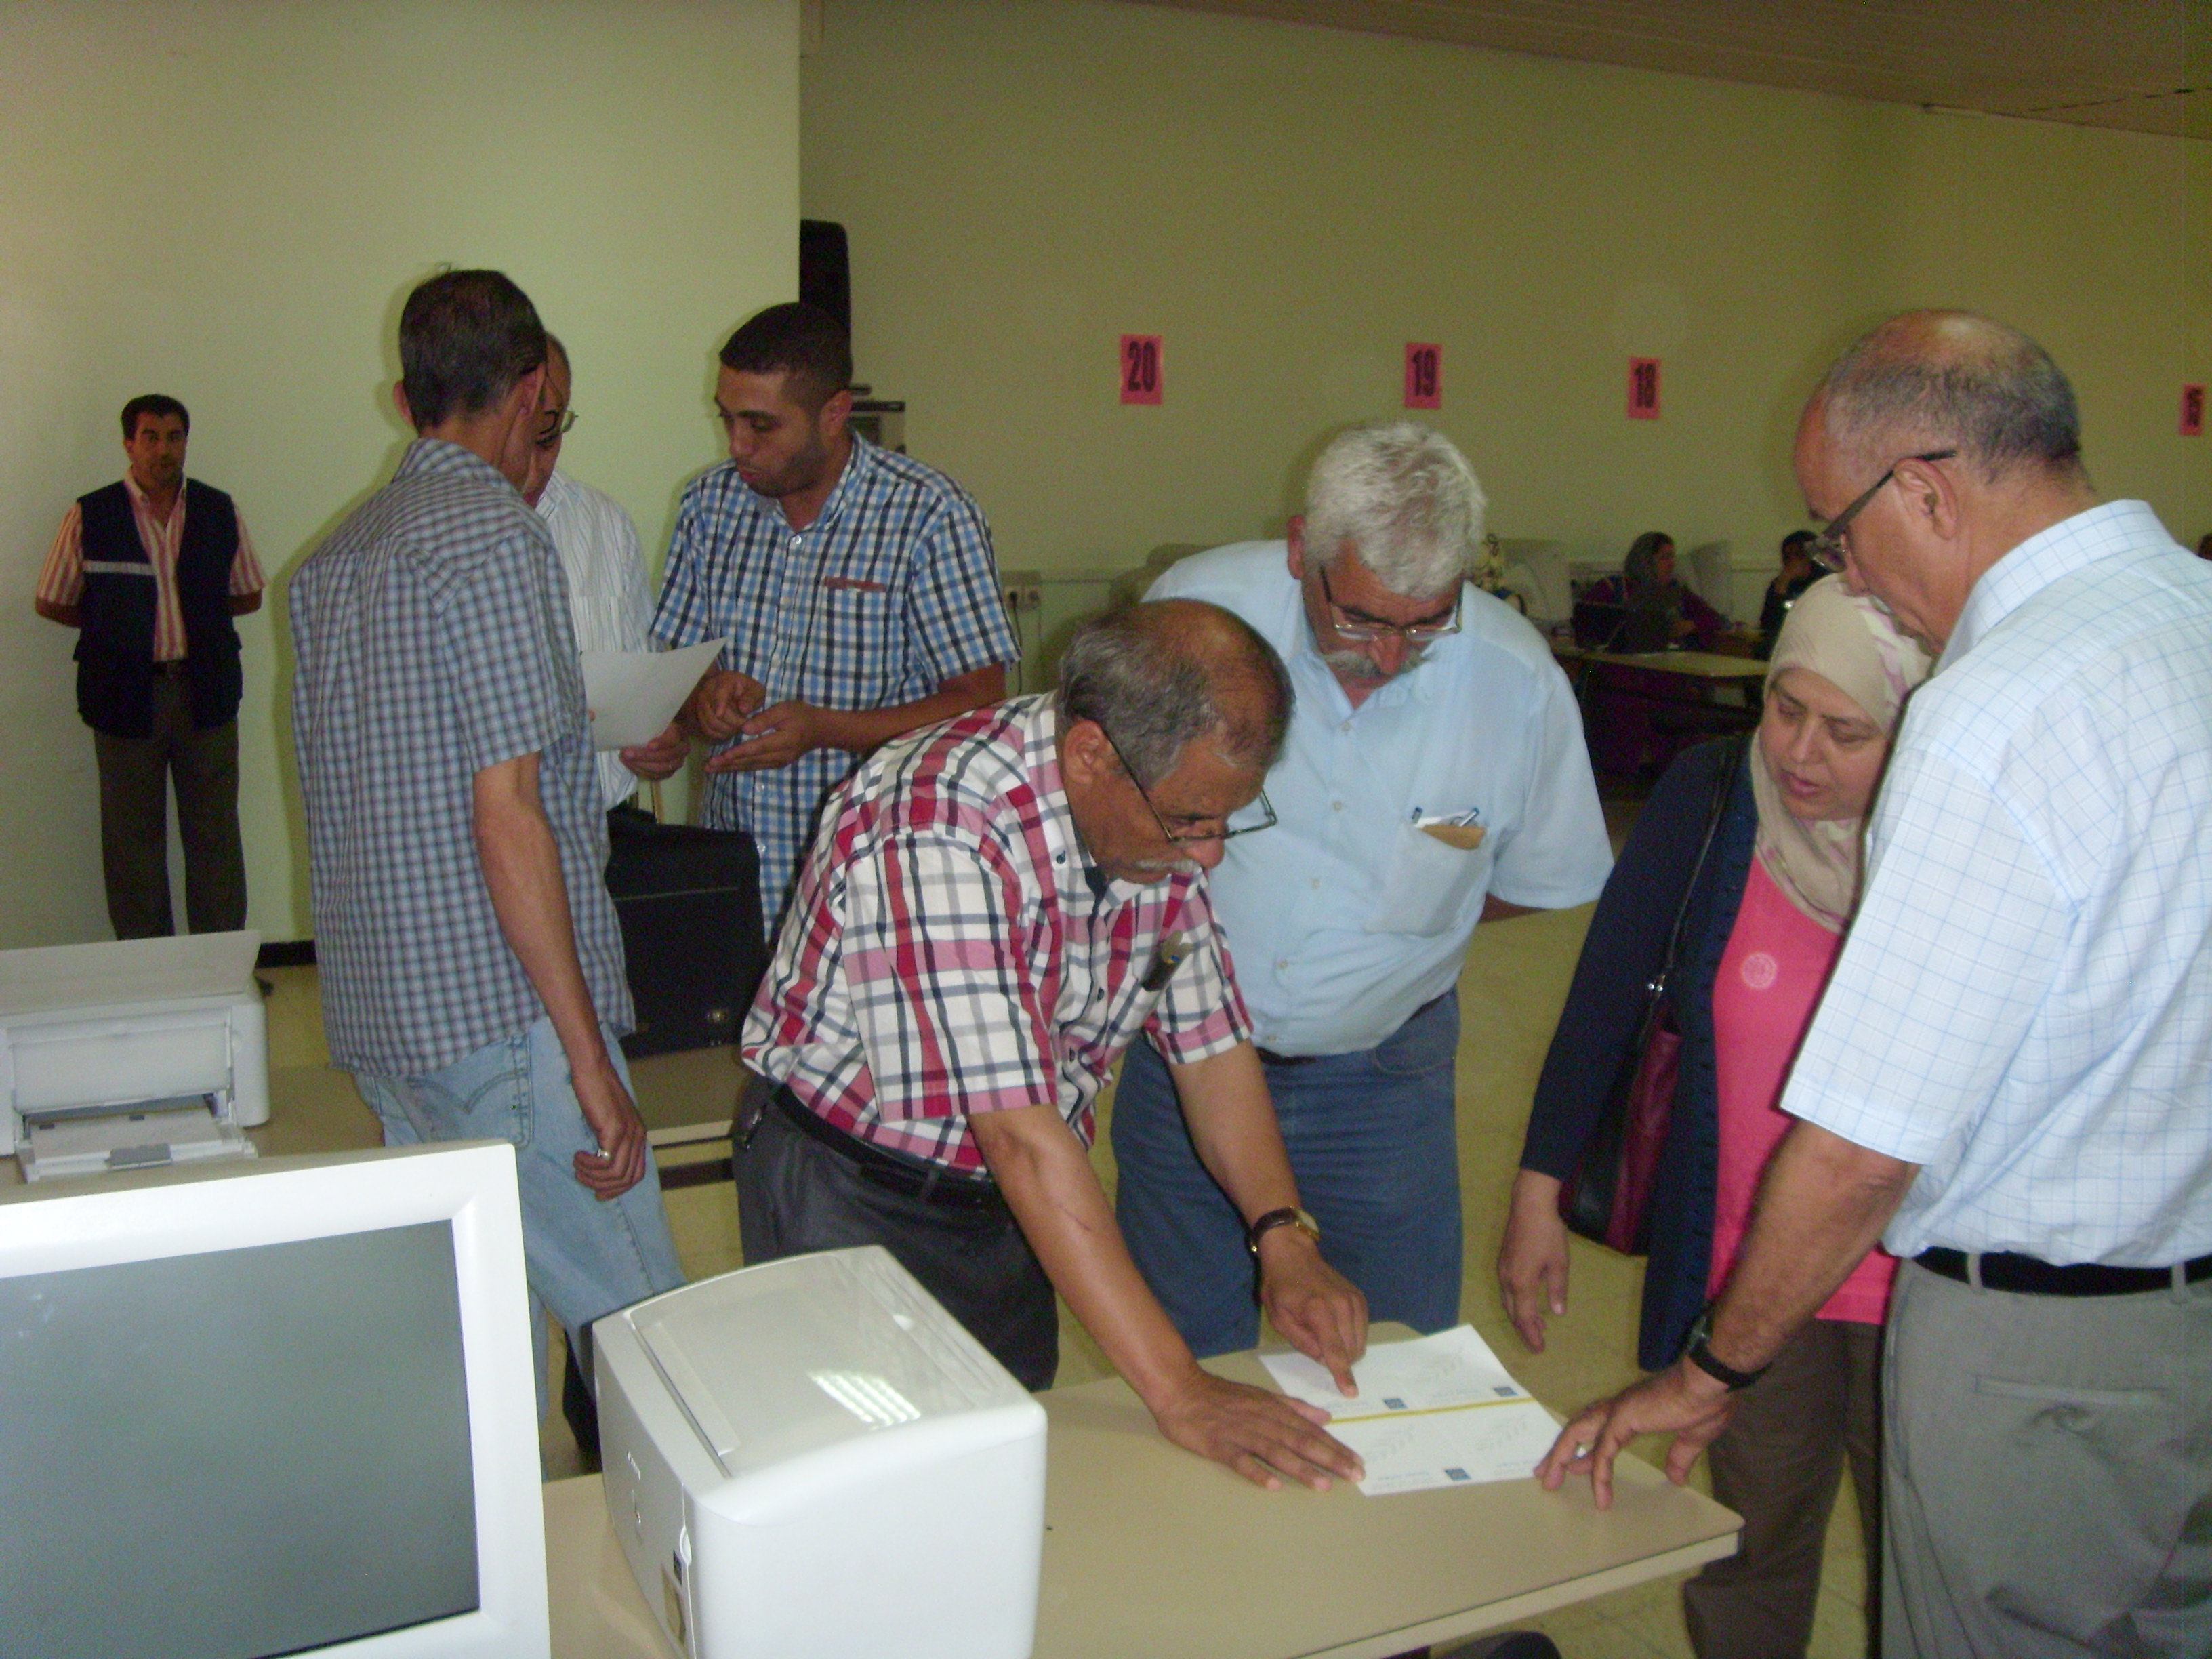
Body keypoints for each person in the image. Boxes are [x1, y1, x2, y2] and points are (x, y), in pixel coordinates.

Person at [1538, 311, 2212, 1659]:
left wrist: (1711, 1368)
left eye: (1836, 532)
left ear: (1924, 491)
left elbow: (1857, 1151)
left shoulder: (1990, 712)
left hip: (2036, 1357)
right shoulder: (2185, 619)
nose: (1838, 570)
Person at [739, 600, 1370, 1491]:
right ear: (1090, 755)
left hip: (1009, 1204)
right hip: (849, 1192)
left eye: (1231, 818)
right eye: (1193, 820)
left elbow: (1211, 1047)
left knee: (1004, 1457)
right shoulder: (935, 819)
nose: (1210, 856)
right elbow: (1020, 1138)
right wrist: (1181, 1390)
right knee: (863, 1484)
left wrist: (1284, 1234)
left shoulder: (1153, 815)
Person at [1113, 422, 1612, 1357]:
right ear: (1301, 549)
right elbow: (1112, 812)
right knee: (1184, 1358)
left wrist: (1402, 939)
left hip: (1383, 1084)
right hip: (1184, 1065)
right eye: (1362, 621)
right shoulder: (1194, 616)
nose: (1388, 656)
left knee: (1399, 1363)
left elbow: (1540, 880)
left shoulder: (1517, 685)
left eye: (1425, 624)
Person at [1502, 577, 1931, 1658]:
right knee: (1750, 1545)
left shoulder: (1954, 834)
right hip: (1751, 1270)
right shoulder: (1712, 796)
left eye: (1847, 733)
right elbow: (1606, 998)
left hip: (1919, 1285)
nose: (1801, 755)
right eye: (1786, 709)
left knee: (1931, 1570)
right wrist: (1540, 1190)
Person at [291, 270, 684, 1416]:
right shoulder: (495, 540)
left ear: (409, 396)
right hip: (502, 1018)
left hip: (384, 1019)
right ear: (523, 397)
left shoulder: (335, 557)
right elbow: (506, 812)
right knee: (652, 1345)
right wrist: (586, 1057)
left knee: (470, 1357)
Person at [652, 301, 1017, 920]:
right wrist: (703, 700)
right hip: (730, 876)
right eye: (727, 419)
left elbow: (979, 706)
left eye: (761, 426)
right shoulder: (707, 504)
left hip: (870, 881)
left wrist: (825, 729)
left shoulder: (928, 514)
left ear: (834, 414)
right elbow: (678, 671)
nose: (737, 446)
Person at [35, 395, 264, 939]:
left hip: (205, 694)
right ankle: (150, 969)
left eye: (175, 436)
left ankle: (219, 969)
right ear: (129, 444)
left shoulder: (218, 510)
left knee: (215, 838)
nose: (164, 449)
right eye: (151, 437)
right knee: (132, 844)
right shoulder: (92, 514)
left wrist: (192, 619)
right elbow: (53, 599)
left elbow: (248, 592)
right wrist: (115, 630)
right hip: (123, 699)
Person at [521, 333, 688, 807]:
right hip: (475, 837)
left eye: (550, 432)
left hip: (603, 825)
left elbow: (647, 694)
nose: (533, 465)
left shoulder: (605, 523)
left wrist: (662, 742)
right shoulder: (421, 539)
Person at [1579, 531, 1728, 653]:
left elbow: (1716, 619)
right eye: (1665, 558)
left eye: (1672, 557)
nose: (1672, 564)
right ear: (1644, 561)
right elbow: (1586, 628)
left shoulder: (1676, 590)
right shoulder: (1611, 588)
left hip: (1669, 667)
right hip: (1620, 668)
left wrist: (1692, 625)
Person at [1755, 529, 1820, 657]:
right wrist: (1782, 587)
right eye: (1787, 557)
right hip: (1785, 643)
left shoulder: (1823, 583)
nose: (1793, 561)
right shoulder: (1780, 583)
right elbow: (1768, 624)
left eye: (1798, 556)